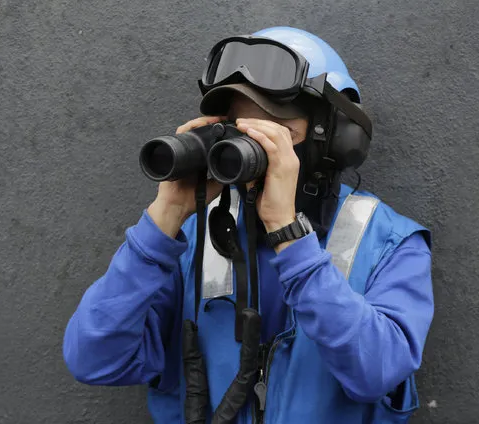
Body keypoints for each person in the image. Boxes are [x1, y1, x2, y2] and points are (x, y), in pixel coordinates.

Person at [63, 26, 434, 424]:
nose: (251, 146)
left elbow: (378, 371)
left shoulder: (389, 242)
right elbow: (93, 360)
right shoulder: (190, 238)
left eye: (274, 131)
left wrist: (289, 236)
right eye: (241, 129)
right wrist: (166, 214)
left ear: (334, 140)